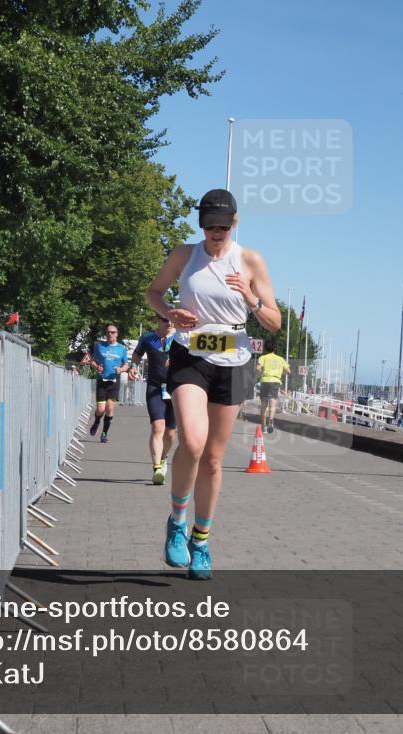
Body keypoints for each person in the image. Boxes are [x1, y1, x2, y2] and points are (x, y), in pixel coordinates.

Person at [146, 189, 280, 580]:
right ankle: (176, 521)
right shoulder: (184, 255)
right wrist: (169, 312)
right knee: (191, 442)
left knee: (213, 459)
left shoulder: (250, 260)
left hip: (234, 361)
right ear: (201, 224)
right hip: (191, 353)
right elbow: (153, 292)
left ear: (234, 223)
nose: (216, 233)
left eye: (223, 226)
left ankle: (201, 542)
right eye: (209, 227)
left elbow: (274, 322)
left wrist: (251, 298)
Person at [129, 314, 177, 484]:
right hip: (155, 387)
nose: (169, 322)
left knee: (170, 434)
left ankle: (163, 457)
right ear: (157, 320)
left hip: (175, 389)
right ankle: (157, 467)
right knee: (158, 426)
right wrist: (133, 366)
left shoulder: (180, 338)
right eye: (165, 319)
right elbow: (137, 354)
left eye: (171, 319)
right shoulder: (147, 338)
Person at [89, 325, 130, 442]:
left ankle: (104, 434)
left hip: (114, 382)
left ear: (117, 334)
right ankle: (97, 421)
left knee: (110, 408)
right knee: (101, 409)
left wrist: (121, 369)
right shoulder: (99, 346)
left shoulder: (122, 348)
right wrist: (97, 367)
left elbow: (126, 364)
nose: (110, 334)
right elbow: (92, 361)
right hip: (102, 381)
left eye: (113, 332)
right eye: (108, 332)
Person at [256, 339, 290, 434]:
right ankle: (271, 420)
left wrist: (261, 373)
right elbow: (288, 371)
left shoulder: (263, 357)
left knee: (264, 404)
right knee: (273, 402)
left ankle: (263, 426)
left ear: (265, 348)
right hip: (275, 381)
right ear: (275, 348)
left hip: (265, 380)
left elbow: (258, 368)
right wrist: (280, 374)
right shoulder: (281, 359)